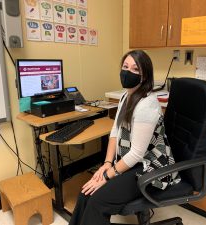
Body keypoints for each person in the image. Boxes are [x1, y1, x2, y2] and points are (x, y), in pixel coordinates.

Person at [68, 50, 179, 225]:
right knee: (86, 191)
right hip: (133, 163)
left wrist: (107, 176)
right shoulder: (126, 96)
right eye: (125, 67)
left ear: (144, 76)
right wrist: (106, 164)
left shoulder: (147, 105)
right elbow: (115, 130)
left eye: (135, 69)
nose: (128, 72)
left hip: (151, 167)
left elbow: (136, 153)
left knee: (98, 201)